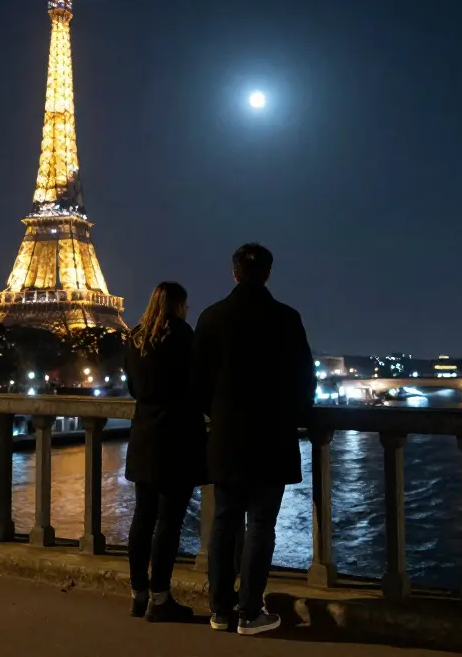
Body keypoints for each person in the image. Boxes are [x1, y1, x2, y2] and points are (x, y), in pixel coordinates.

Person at [193, 243, 314, 636]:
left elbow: (198, 382)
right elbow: (303, 380)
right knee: (261, 524)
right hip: (271, 436)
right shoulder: (287, 318)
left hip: (227, 436)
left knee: (223, 523)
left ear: (233, 274)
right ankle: (249, 611)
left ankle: (219, 609)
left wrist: (218, 413)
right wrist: (292, 417)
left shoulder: (211, 318)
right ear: (267, 274)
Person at [123, 281, 208, 622]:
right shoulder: (184, 337)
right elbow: (198, 385)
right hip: (177, 439)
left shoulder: (135, 337)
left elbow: (133, 386)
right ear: (179, 306)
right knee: (169, 524)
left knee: (142, 518)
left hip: (144, 436)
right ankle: (160, 598)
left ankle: (137, 593)